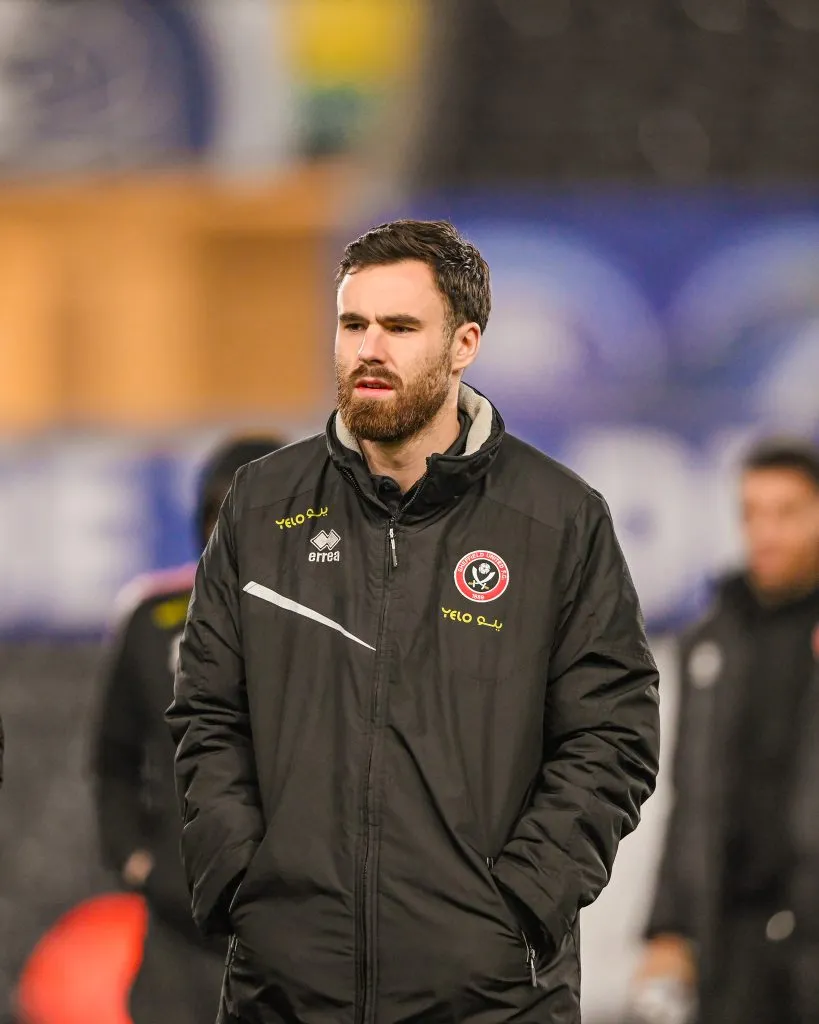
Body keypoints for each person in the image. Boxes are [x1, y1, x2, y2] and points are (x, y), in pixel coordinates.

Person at [167, 219, 661, 1023]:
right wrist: (242, 884)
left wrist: (520, 907)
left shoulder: (558, 519)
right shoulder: (261, 506)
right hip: (287, 989)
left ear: (464, 343)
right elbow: (209, 714)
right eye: (352, 323)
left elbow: (612, 734)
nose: (368, 347)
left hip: (493, 997)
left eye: (399, 327)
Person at [91, 435, 283, 1024]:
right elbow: (113, 760)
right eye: (220, 512)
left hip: (298, 933)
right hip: (179, 931)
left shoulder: (344, 620)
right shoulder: (154, 618)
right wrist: (134, 858)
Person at [634, 440, 819, 1024]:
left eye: (787, 512)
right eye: (751, 513)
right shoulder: (712, 640)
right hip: (731, 942)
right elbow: (691, 797)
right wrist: (668, 929)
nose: (766, 531)